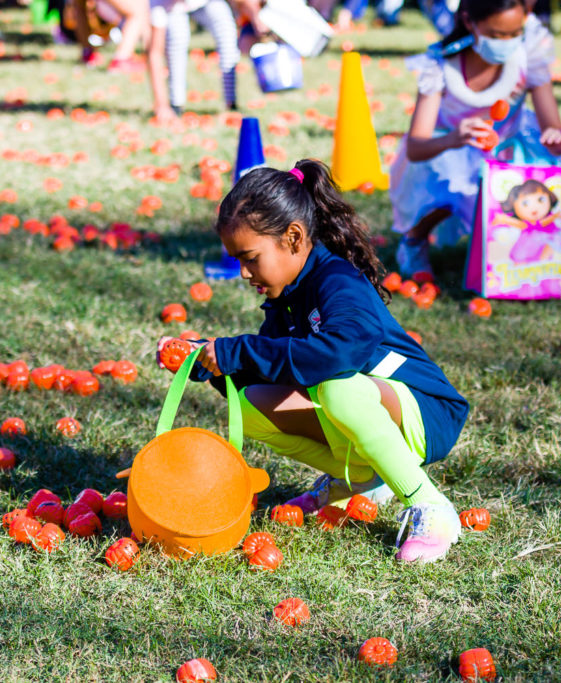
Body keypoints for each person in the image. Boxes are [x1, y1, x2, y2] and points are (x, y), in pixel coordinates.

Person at [166, 159, 470, 564]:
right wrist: (209, 363)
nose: (242, 272)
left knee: (336, 383)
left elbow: (338, 355)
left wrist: (236, 350)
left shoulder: (337, 280)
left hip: (426, 409)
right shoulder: (286, 296)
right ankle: (359, 478)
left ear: (293, 237)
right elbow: (268, 366)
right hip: (368, 405)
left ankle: (431, 507)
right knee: (250, 404)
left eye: (250, 257)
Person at [388, 0, 561, 280]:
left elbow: (553, 127)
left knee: (532, 190)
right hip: (447, 149)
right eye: (496, 35)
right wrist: (453, 139)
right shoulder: (441, 65)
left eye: (514, 33)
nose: (507, 42)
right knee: (445, 175)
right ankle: (414, 241)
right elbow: (416, 148)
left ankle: (520, 253)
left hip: (507, 149)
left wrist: (555, 137)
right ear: (469, 21)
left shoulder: (528, 56)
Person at [147, 0, 239, 119]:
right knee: (177, 38)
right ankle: (176, 105)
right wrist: (162, 105)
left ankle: (231, 103)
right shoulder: (158, 5)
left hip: (206, 3)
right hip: (171, 10)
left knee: (226, 29)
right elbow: (155, 53)